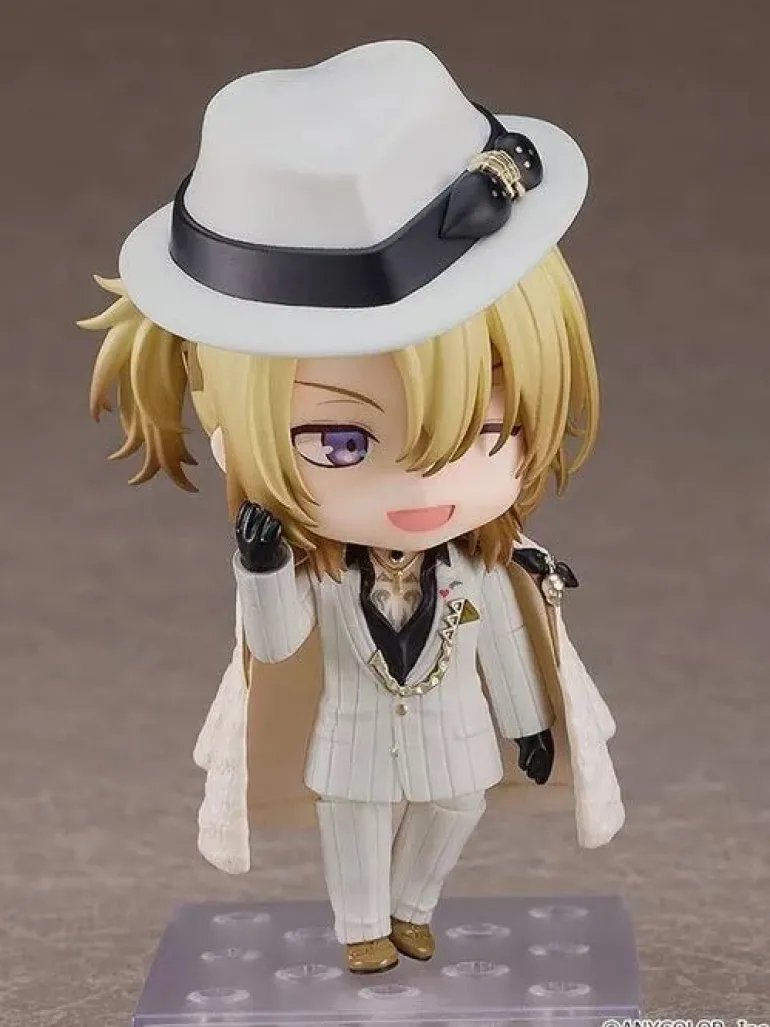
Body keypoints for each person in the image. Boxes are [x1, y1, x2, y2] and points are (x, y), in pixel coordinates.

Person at [80, 39, 624, 974]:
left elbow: (503, 639)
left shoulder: (481, 568)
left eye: (491, 428)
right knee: (357, 824)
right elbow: (278, 640)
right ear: (231, 431)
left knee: (459, 806)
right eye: (341, 443)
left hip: (457, 741)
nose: (425, 486)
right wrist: (261, 565)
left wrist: (529, 721)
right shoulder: (322, 576)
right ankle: (363, 926)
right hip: (354, 747)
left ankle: (413, 906)